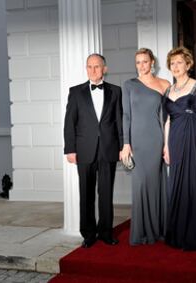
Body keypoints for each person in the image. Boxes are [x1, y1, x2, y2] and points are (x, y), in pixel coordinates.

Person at [64, 53, 123, 248]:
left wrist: (123, 146)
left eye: (97, 66)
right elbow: (69, 123)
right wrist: (70, 149)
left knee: (106, 193)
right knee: (86, 193)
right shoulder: (76, 92)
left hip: (108, 149)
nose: (93, 70)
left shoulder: (116, 91)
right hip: (84, 150)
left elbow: (119, 122)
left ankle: (106, 232)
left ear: (105, 68)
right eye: (89, 66)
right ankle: (88, 234)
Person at [163, 46, 196, 250]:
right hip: (175, 140)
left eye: (179, 62)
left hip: (194, 139)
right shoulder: (169, 90)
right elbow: (167, 120)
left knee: (194, 185)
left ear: (188, 64)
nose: (175, 66)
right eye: (172, 63)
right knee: (176, 184)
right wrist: (166, 147)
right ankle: (178, 232)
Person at [120, 48, 170, 245]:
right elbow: (126, 115)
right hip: (137, 142)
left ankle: (159, 229)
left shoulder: (164, 84)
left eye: (145, 61)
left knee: (158, 184)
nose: (141, 65)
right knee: (141, 186)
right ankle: (143, 232)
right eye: (138, 62)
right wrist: (126, 143)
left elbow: (168, 117)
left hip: (157, 139)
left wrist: (168, 144)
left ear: (152, 63)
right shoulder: (129, 85)